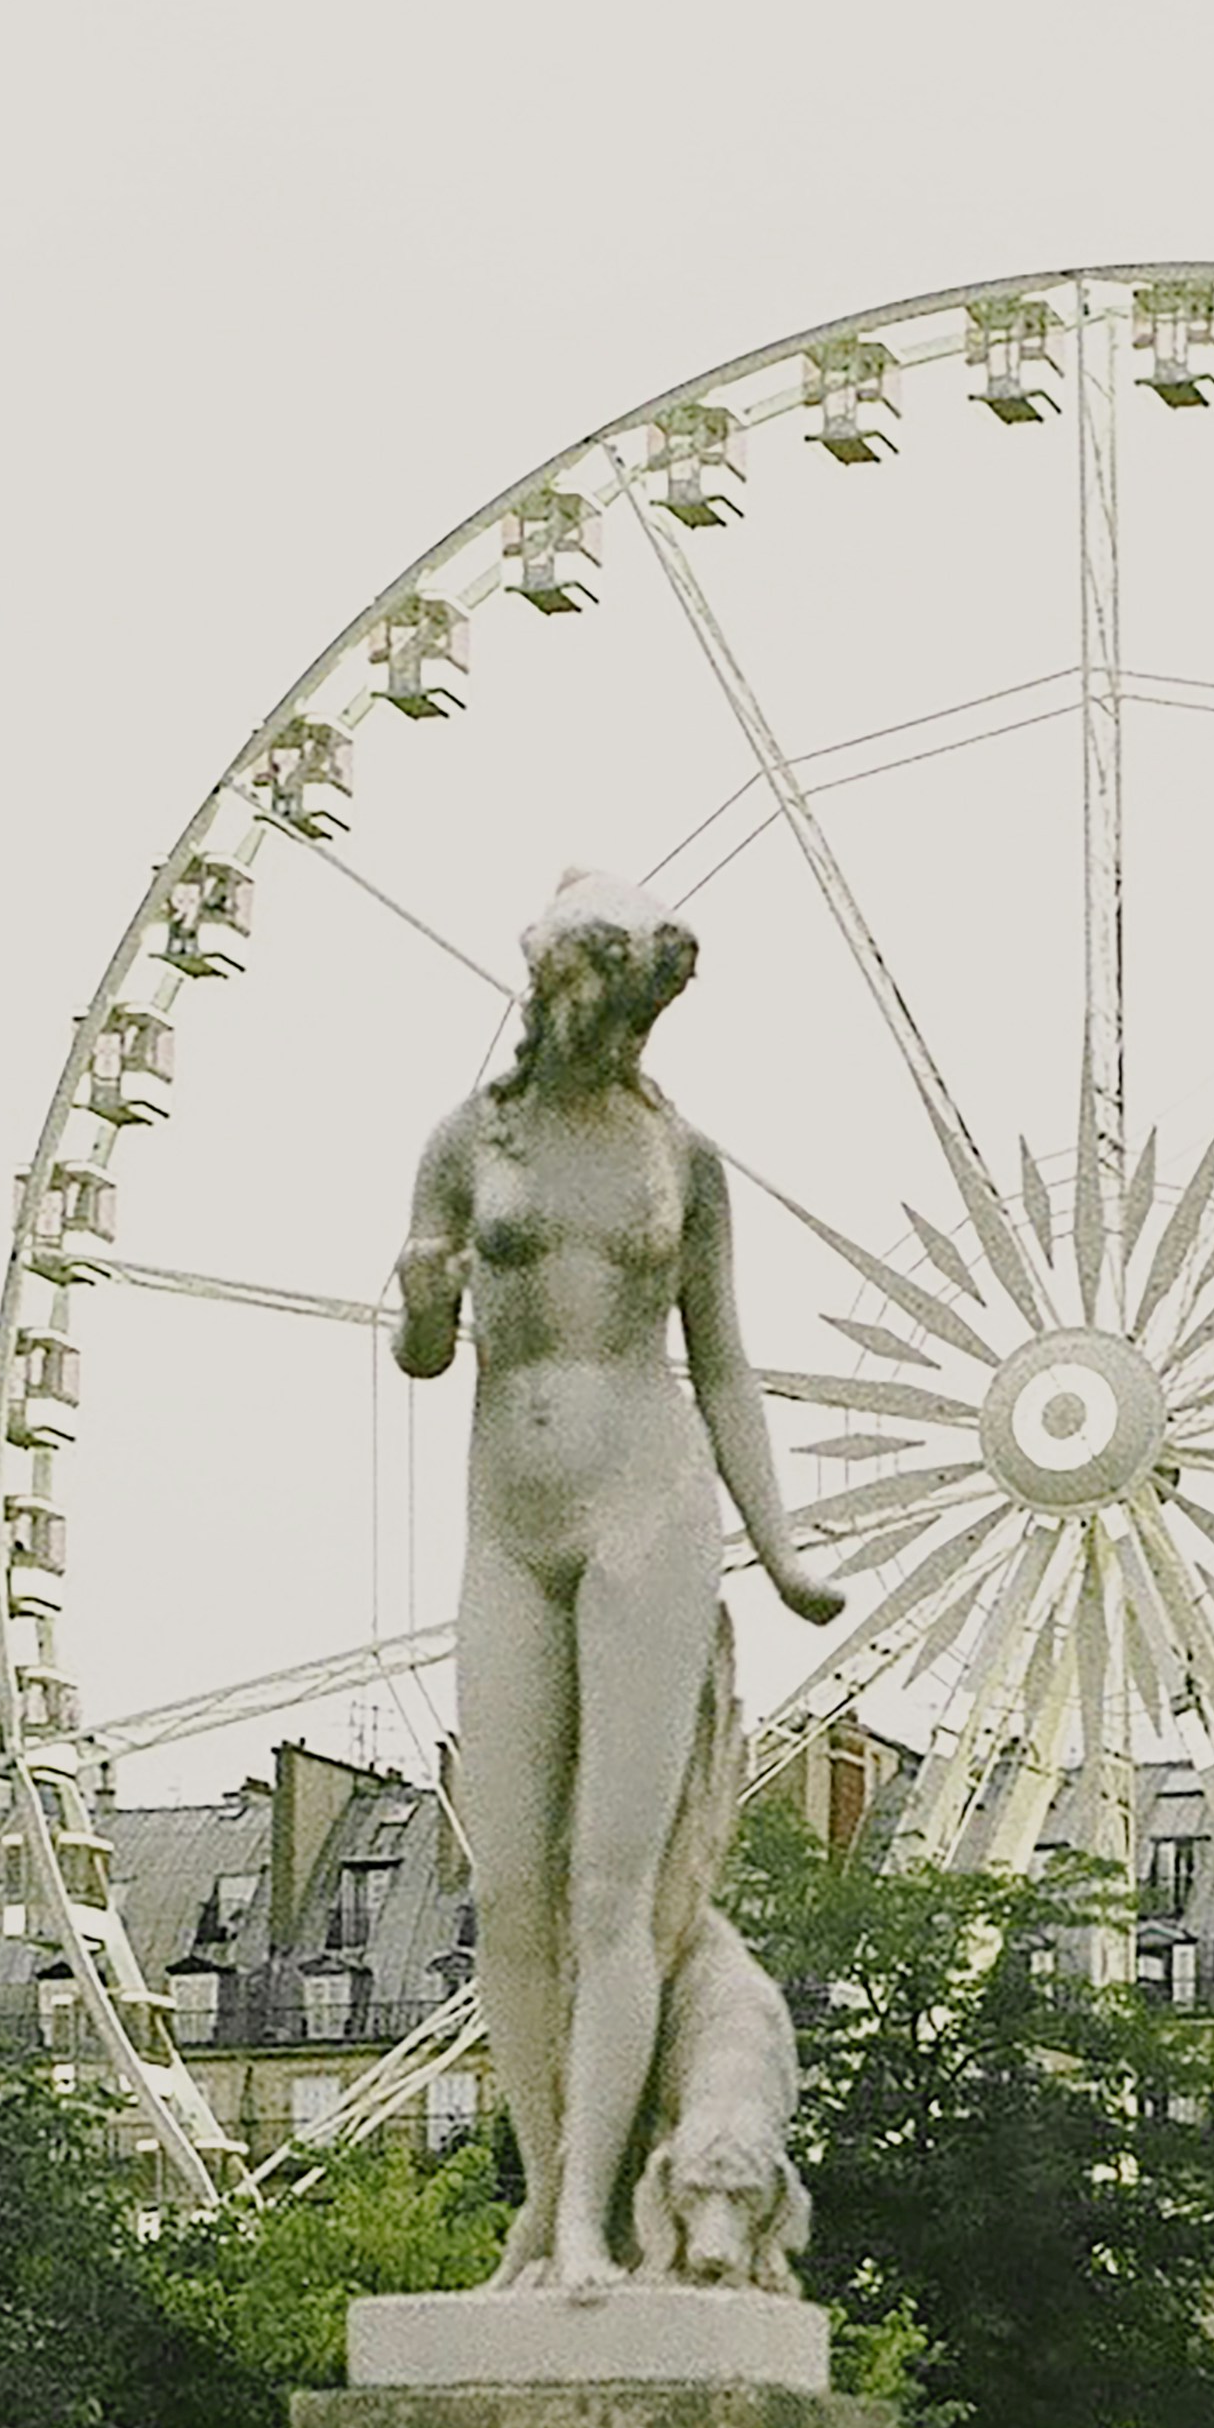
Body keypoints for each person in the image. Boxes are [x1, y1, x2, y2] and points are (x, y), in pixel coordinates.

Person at [396, 883, 841, 2294]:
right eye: (608, 1015)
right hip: (507, 1522)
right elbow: (422, 1353)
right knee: (510, 1887)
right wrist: (416, 1300)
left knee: (613, 1891)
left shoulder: (681, 1163)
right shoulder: (468, 1145)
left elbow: (721, 1364)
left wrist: (777, 1550)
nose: (624, 1042)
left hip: (649, 1509)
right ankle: (537, 2210)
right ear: (556, 1001)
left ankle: (589, 2219)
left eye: (644, 1019)